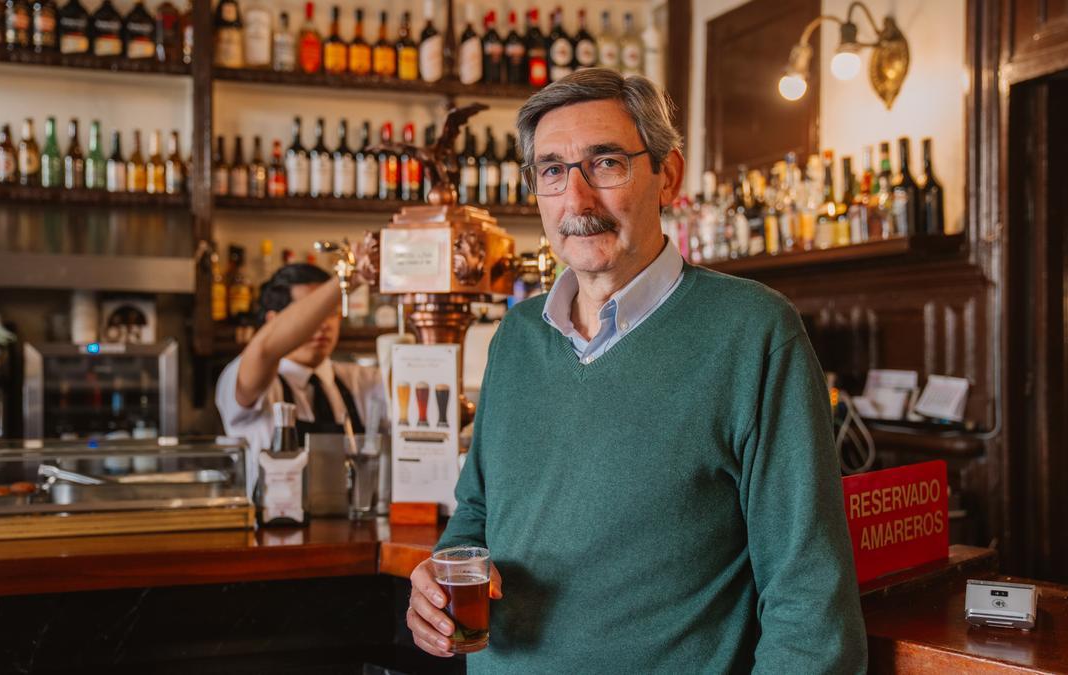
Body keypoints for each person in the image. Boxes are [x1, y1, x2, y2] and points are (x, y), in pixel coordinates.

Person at [406, 68, 867, 672]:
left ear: (667, 175)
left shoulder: (752, 331)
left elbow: (809, 601)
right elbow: (476, 516)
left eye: (605, 163)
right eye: (552, 171)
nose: (576, 201)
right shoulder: (516, 337)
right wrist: (437, 580)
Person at [216, 259, 385, 493]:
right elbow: (265, 350)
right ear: (275, 323)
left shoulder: (364, 381)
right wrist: (347, 278)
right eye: (313, 315)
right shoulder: (254, 381)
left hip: (356, 525)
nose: (324, 324)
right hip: (276, 527)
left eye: (331, 313)